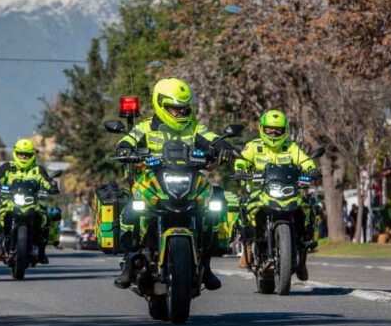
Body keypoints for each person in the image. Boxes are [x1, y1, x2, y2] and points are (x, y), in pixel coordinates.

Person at [114, 78, 233, 291]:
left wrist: (222, 146)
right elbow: (127, 141)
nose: (179, 113)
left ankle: (206, 265)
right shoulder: (144, 127)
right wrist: (125, 150)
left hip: (189, 180)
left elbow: (212, 138)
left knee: (214, 206)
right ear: (161, 105)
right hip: (152, 181)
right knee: (131, 209)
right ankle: (129, 262)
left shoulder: (194, 126)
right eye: (174, 108)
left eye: (183, 108)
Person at [234, 109, 319, 280]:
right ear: (262, 128)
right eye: (269, 129)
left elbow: (304, 159)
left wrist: (312, 169)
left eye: (278, 130)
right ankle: (249, 247)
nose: (273, 133)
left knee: (307, 208)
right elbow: (241, 160)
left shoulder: (291, 147)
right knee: (245, 208)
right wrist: (240, 170)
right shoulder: (253, 146)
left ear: (284, 131)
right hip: (259, 191)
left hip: (289, 192)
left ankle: (302, 256)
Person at [0, 138, 55, 264]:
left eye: (27, 155)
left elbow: (47, 181)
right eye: (21, 154)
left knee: (45, 217)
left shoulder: (38, 169)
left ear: (32, 155)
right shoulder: (7, 167)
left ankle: (42, 251)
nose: (23, 157)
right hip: (10, 202)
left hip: (33, 203)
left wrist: (52, 187)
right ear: (15, 153)